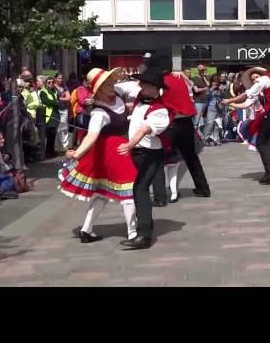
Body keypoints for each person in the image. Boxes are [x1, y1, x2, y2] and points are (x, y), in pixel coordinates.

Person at [59, 68, 139, 243]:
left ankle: (86, 230)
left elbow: (136, 86)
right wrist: (77, 153)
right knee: (129, 189)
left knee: (102, 193)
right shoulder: (99, 112)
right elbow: (91, 135)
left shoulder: (116, 92)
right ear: (98, 89)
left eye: (111, 80)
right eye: (106, 83)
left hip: (118, 147)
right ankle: (133, 233)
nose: (112, 84)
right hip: (112, 151)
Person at [222, 55, 270, 185]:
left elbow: (247, 94)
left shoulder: (266, 78)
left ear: (265, 65)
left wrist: (229, 101)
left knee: (261, 141)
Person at [117, 67, 171, 250]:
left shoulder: (160, 110)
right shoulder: (141, 98)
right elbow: (120, 89)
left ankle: (144, 235)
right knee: (139, 189)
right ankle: (145, 228)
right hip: (139, 152)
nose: (141, 86)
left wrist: (130, 144)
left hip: (149, 153)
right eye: (142, 84)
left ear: (155, 88)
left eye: (145, 85)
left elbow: (145, 129)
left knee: (140, 189)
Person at [154, 55, 211, 199]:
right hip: (186, 122)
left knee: (159, 159)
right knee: (191, 157)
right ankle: (203, 189)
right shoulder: (179, 78)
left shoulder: (159, 81)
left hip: (170, 123)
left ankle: (160, 195)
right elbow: (192, 88)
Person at [39, 76, 60, 158]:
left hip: (55, 115)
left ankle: (51, 151)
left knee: (53, 134)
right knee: (49, 134)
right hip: (48, 116)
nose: (51, 84)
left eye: (52, 82)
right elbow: (47, 101)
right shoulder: (43, 92)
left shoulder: (55, 91)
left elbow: (59, 101)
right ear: (45, 83)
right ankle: (47, 152)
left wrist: (56, 102)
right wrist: (56, 102)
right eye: (49, 82)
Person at [203, 74, 225, 147]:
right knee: (210, 125)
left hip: (219, 110)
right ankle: (206, 139)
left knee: (217, 125)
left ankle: (216, 139)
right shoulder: (209, 89)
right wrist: (212, 89)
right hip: (211, 109)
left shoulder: (219, 90)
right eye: (214, 81)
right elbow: (206, 96)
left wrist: (222, 91)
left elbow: (223, 98)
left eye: (217, 82)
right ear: (211, 82)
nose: (215, 83)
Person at [53, 72, 71, 154]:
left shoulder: (64, 87)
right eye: (59, 78)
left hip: (64, 109)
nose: (61, 80)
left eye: (61, 78)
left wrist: (60, 98)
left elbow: (68, 97)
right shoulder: (53, 87)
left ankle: (64, 146)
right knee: (58, 128)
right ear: (55, 78)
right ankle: (57, 147)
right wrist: (63, 98)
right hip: (56, 110)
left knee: (64, 128)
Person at [192, 64, 210, 128]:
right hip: (198, 102)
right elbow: (196, 90)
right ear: (198, 70)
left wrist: (204, 77)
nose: (202, 71)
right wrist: (205, 88)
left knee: (205, 121)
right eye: (201, 70)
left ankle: (203, 136)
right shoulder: (194, 78)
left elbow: (209, 85)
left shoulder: (206, 78)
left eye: (203, 69)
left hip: (206, 102)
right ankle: (195, 134)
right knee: (196, 120)